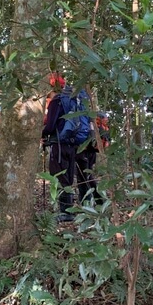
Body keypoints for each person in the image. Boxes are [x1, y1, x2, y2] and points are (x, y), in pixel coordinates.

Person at [42, 73, 77, 223]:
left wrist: (42, 133)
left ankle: (65, 212)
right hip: (72, 143)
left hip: (59, 144)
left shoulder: (57, 101)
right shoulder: (72, 99)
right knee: (68, 176)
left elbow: (50, 126)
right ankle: (69, 209)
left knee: (58, 175)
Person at [75, 110, 110, 206]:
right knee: (88, 176)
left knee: (83, 178)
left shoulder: (83, 117)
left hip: (83, 150)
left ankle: (88, 203)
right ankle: (97, 201)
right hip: (92, 152)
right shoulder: (93, 118)